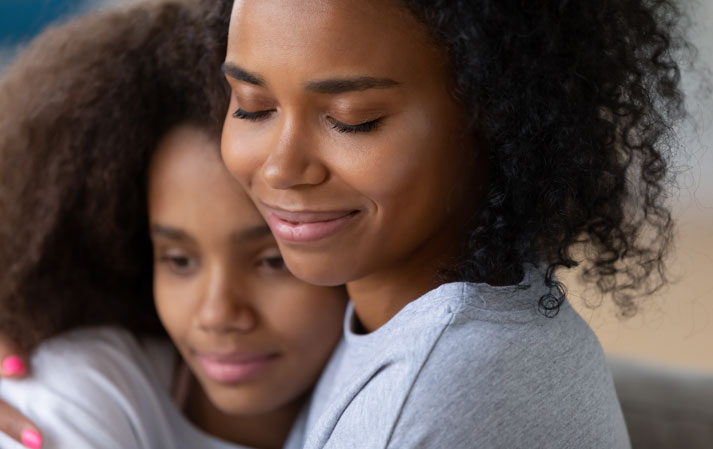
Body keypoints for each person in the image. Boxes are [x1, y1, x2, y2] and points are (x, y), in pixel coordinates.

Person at [219, 0, 689, 447]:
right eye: (251, 105)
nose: (281, 168)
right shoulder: (420, 315)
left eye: (352, 119)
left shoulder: (441, 392)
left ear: (495, 115)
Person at [0, 1, 346, 448]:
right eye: (180, 260)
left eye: (272, 262)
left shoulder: (415, 394)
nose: (217, 315)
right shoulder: (88, 385)